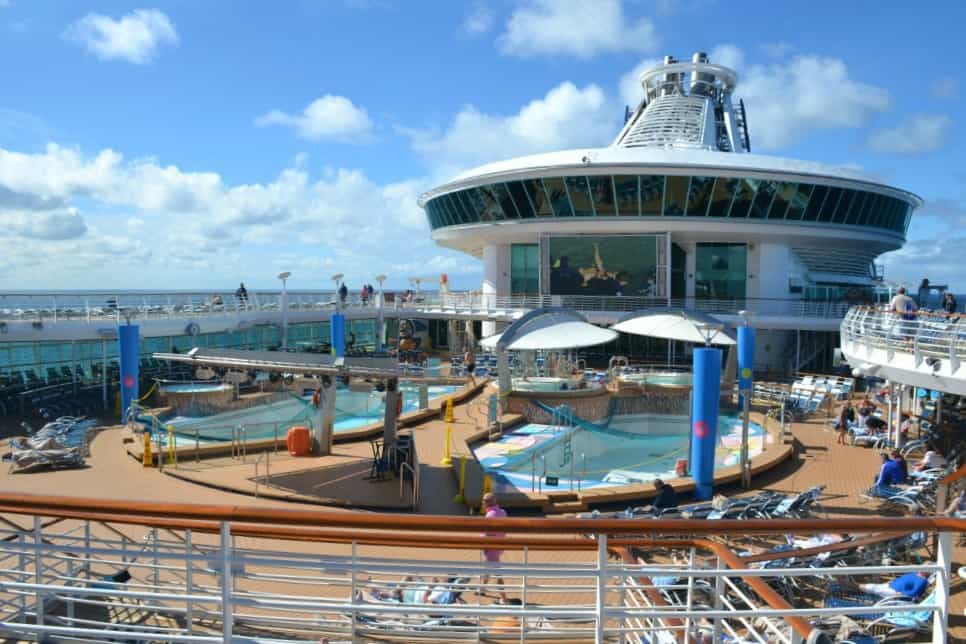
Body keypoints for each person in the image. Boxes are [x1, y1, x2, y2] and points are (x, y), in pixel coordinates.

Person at [479, 493, 508, 604]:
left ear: (487, 502)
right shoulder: (503, 512)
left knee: (497, 573)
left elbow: (487, 533)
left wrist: (480, 539)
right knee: (487, 567)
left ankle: (504, 598)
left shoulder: (490, 515)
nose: (482, 502)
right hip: (500, 544)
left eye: (484, 500)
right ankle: (482, 589)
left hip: (492, 547)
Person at [858, 571, 930, 600]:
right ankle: (854, 587)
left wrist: (902, 593)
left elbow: (915, 593)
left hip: (895, 592)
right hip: (889, 585)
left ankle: (853, 586)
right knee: (872, 585)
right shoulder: (914, 573)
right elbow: (902, 579)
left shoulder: (922, 580)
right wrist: (892, 582)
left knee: (871, 587)